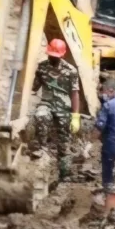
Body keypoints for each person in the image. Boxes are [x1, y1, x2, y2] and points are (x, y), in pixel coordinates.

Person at [32, 38, 81, 181]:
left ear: (62, 55)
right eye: (51, 55)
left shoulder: (70, 71)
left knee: (64, 142)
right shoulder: (42, 67)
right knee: (40, 115)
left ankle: (64, 174)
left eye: (56, 56)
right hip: (46, 102)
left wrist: (75, 116)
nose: (53, 58)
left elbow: (75, 93)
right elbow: (34, 87)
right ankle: (42, 149)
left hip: (63, 107)